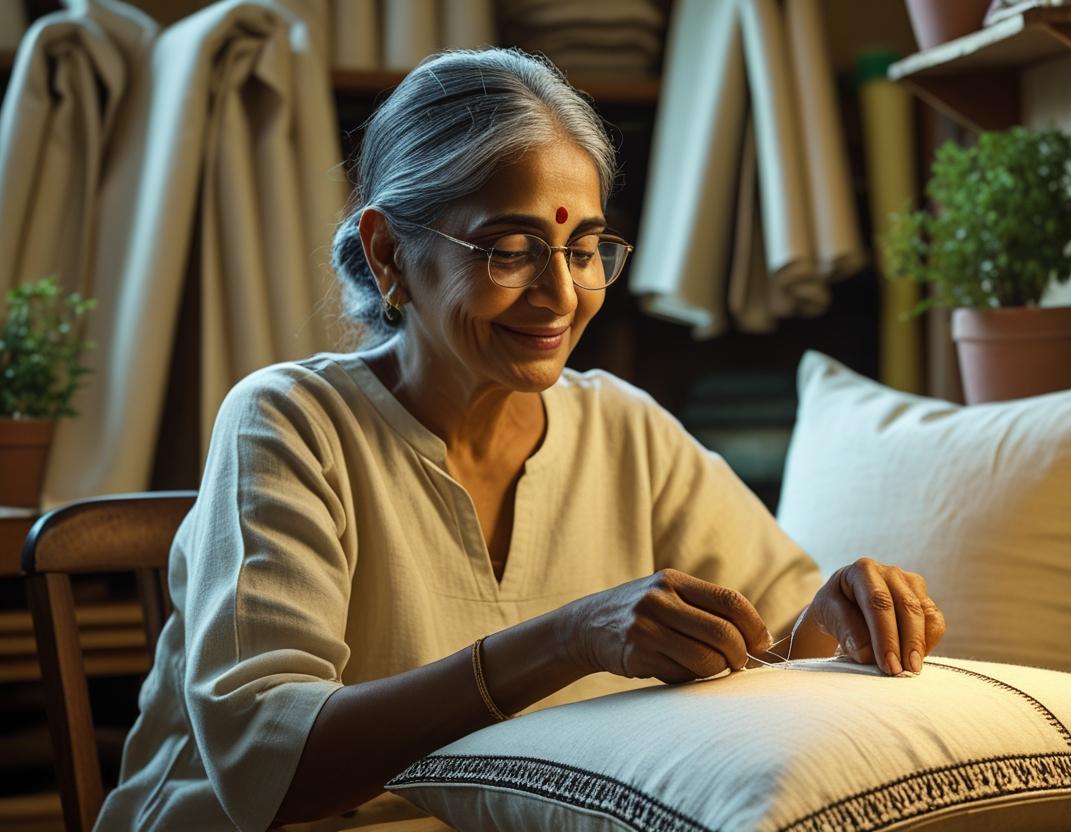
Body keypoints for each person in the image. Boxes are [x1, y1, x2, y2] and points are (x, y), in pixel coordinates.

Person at [97, 47, 945, 830]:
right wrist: (567, 638)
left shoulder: (624, 430)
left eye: (583, 248)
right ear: (389, 251)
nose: (561, 293)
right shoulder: (290, 423)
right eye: (511, 250)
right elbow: (266, 772)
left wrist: (841, 613)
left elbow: (774, 648)